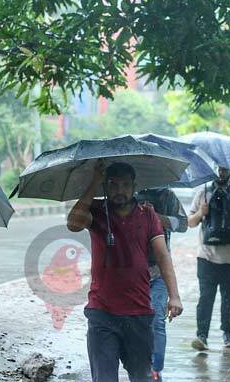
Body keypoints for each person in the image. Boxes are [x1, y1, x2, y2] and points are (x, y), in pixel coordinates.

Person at [67, 161, 183, 382]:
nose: (120, 190)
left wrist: (174, 295)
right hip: (102, 312)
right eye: (113, 184)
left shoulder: (147, 214)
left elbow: (162, 256)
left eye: (125, 185)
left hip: (138, 312)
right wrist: (94, 182)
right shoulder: (97, 211)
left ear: (134, 186)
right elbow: (73, 224)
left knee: (141, 377)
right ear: (105, 186)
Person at [187, 167, 230, 350]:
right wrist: (201, 213)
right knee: (205, 298)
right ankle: (202, 336)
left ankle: (227, 333)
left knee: (228, 297)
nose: (221, 171)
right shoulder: (202, 193)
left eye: (224, 168)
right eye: (218, 167)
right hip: (206, 257)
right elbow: (190, 222)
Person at [133, 187, 188, 381]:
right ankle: (141, 365)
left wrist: (156, 216)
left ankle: (155, 369)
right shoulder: (129, 192)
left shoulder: (167, 196)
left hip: (159, 271)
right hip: (132, 273)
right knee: (136, 322)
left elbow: (183, 224)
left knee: (157, 319)